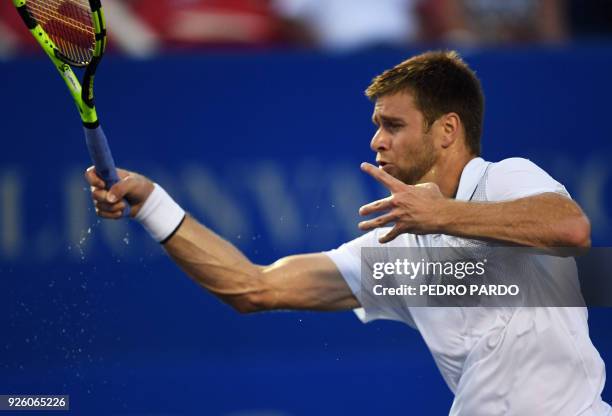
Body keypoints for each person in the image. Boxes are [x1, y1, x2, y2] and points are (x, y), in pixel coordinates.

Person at [85, 50, 610, 415]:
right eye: (376, 124)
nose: (376, 139)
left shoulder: (503, 178)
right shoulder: (401, 255)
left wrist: (442, 215)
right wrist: (153, 203)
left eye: (393, 124)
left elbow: (570, 228)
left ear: (447, 130)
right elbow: (256, 287)